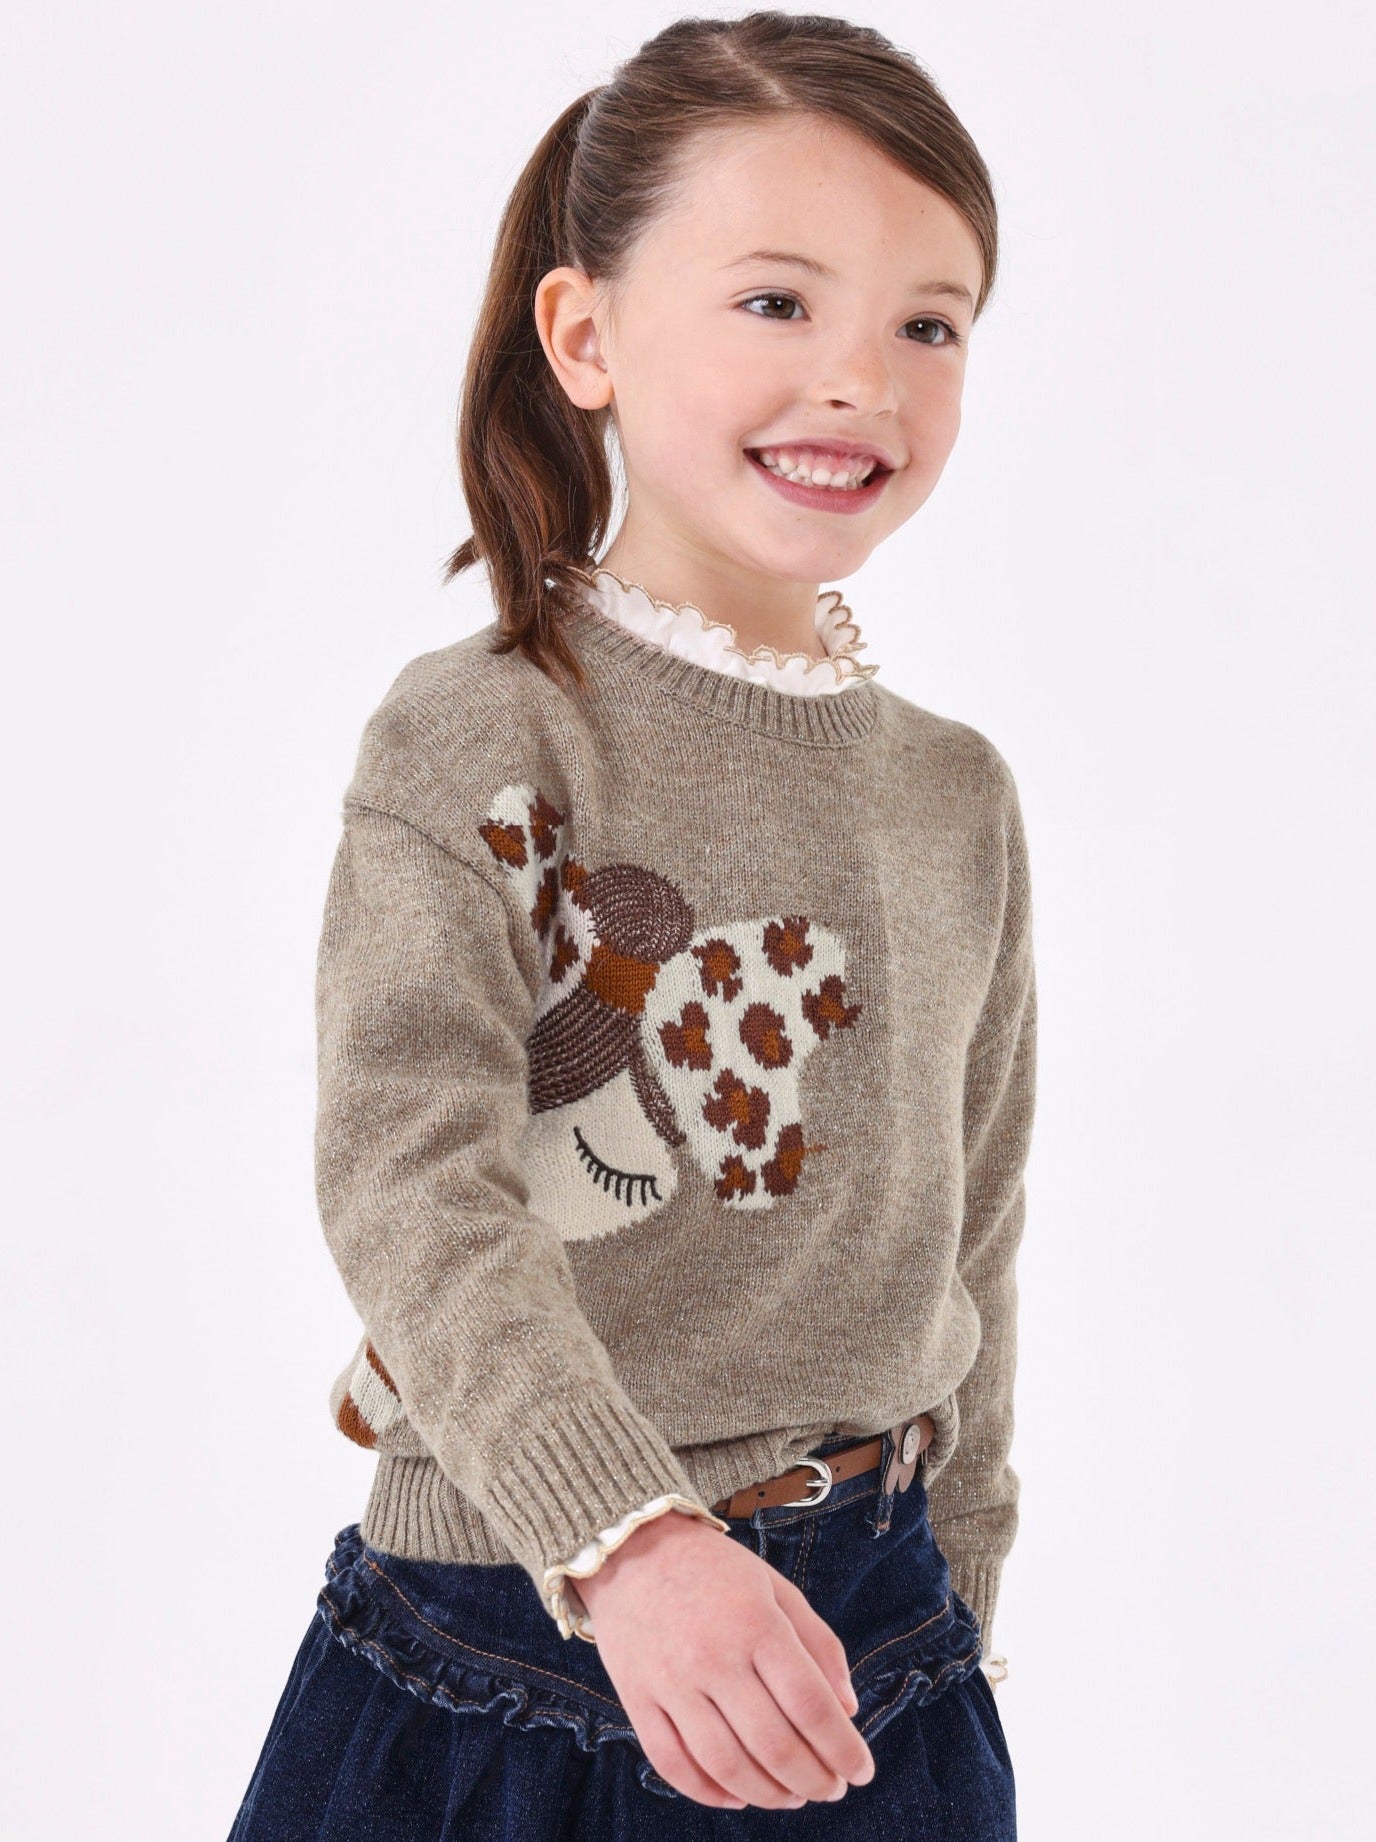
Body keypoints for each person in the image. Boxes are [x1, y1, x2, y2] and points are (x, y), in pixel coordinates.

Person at [228, 11, 1037, 1836]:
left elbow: (974, 1244)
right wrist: (628, 1535)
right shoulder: (483, 735)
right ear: (586, 335)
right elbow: (413, 1182)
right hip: (510, 1645)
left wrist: (966, 1602)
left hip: (873, 1668)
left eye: (930, 324)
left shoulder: (956, 794)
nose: (862, 378)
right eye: (778, 302)